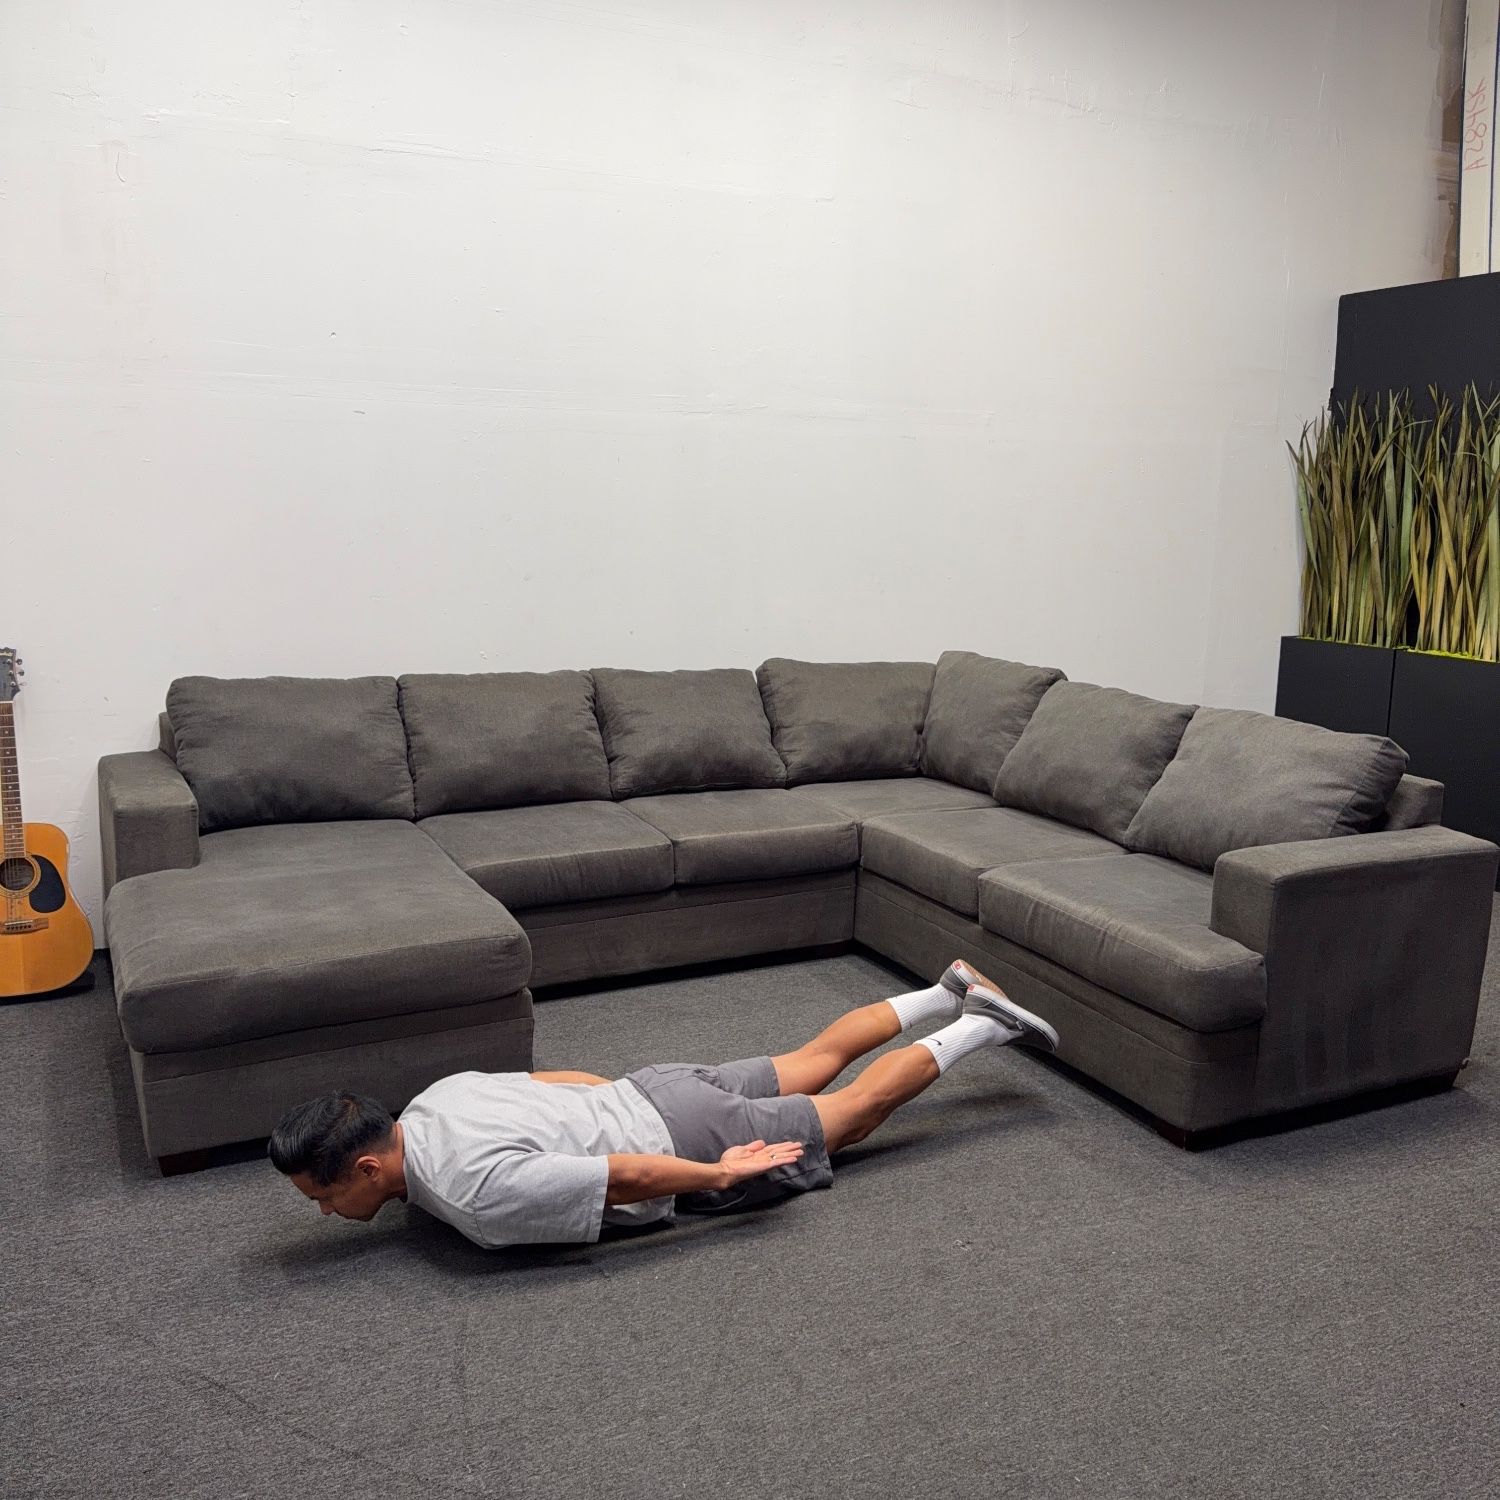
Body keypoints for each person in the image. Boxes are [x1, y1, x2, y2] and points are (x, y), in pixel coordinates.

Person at [268, 960, 1059, 1248]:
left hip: (682, 1136)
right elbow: (561, 1082)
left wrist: (719, 1176)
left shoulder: (471, 1191)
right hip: (653, 1085)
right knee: (811, 1060)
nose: (327, 1212)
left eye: (324, 1196)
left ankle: (982, 1025)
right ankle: (944, 990)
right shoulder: (431, 1102)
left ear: (367, 1166)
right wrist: (626, 1097)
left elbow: (623, 1176)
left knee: (850, 1112)